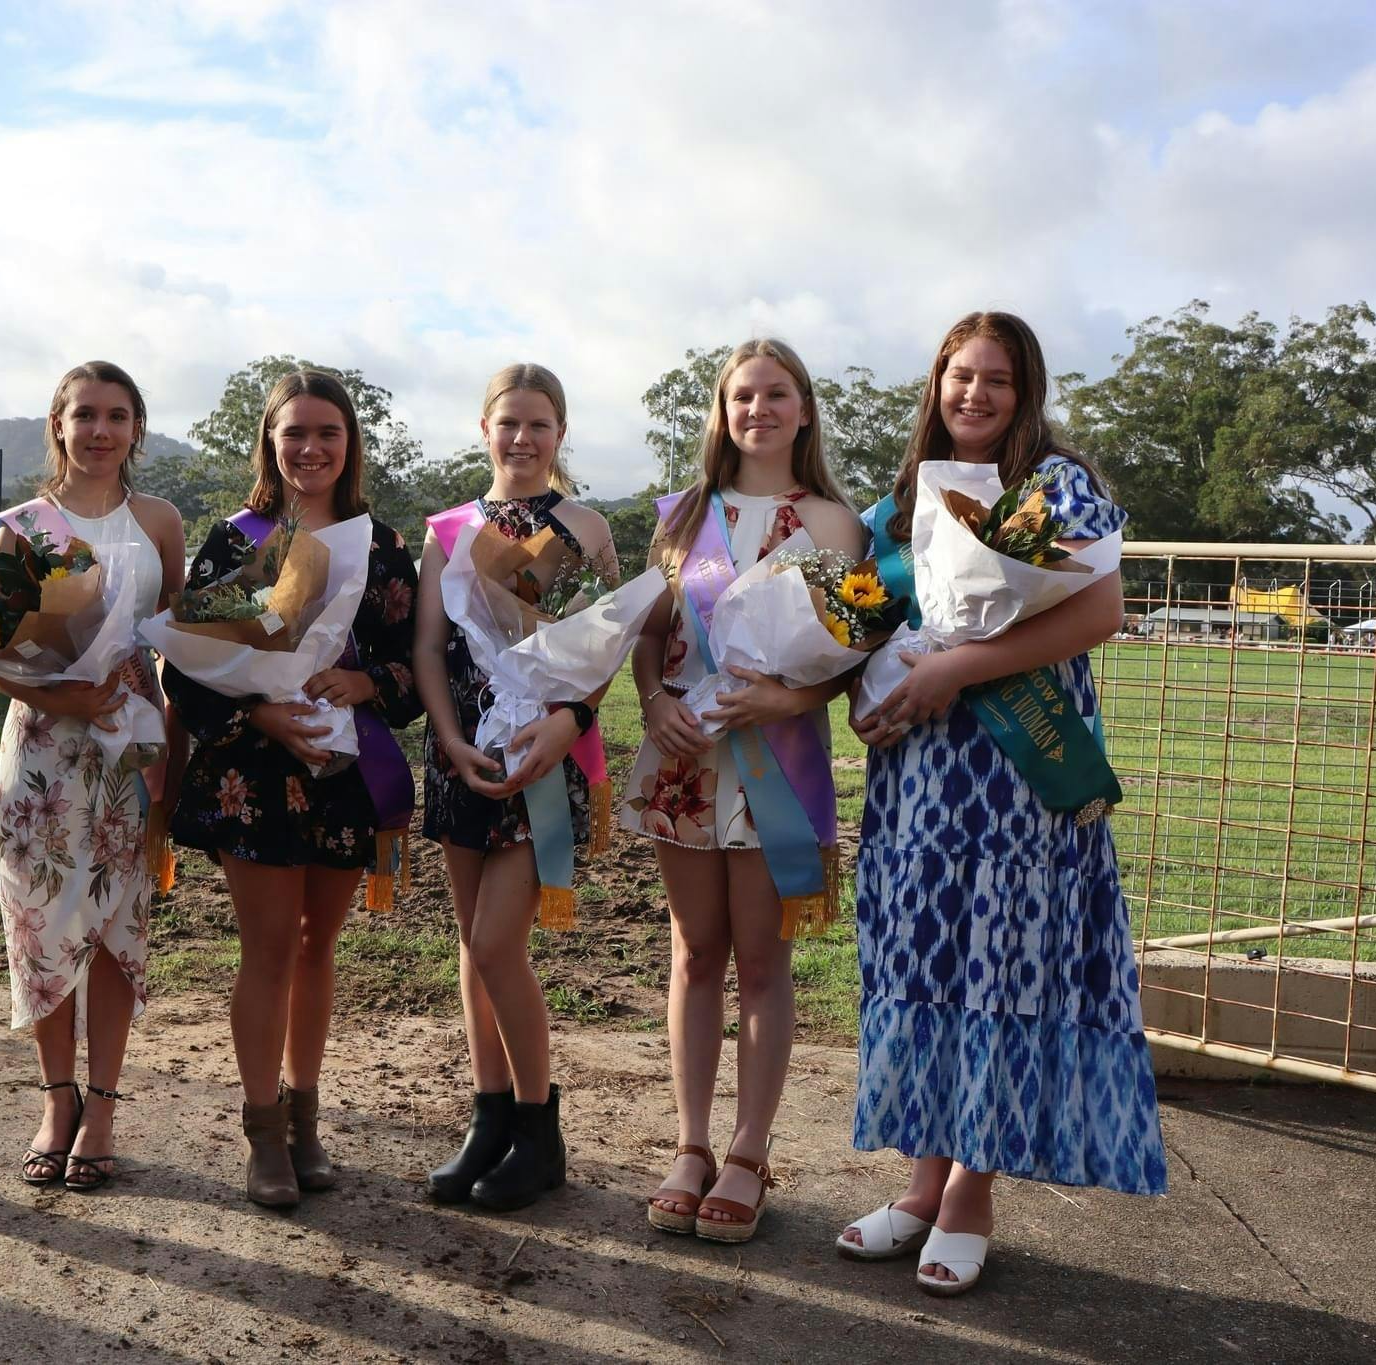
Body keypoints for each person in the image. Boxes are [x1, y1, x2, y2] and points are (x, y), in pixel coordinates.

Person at [838, 311, 1166, 1296]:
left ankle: (968, 1196)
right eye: (956, 375)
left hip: (1018, 778)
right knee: (928, 959)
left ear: (1023, 393)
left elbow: (1098, 611)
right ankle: (918, 1183)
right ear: (933, 385)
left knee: (1001, 968)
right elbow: (860, 620)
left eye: (994, 380)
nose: (971, 394)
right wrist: (867, 697)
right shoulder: (898, 505)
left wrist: (961, 667)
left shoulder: (1054, 488)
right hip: (921, 782)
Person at [162, 369, 421, 1209]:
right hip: (258, 775)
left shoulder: (381, 547)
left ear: (351, 445)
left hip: (345, 772)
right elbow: (187, 668)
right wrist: (264, 714)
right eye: (294, 433)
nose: (310, 448)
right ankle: (263, 1127)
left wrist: (367, 683)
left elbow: (416, 667)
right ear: (270, 442)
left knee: (319, 949)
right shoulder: (238, 540)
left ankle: (309, 1119)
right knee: (269, 950)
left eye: (328, 434)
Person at [623, 340, 863, 1242]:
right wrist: (650, 701)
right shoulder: (686, 517)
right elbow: (651, 634)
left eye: (776, 393)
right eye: (741, 395)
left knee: (762, 962)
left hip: (775, 765)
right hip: (686, 759)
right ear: (722, 412)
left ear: (804, 409)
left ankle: (750, 1152)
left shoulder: (836, 526)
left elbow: (850, 664)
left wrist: (786, 695)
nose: (757, 408)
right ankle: (690, 1144)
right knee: (693, 953)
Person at [414, 363, 619, 1213]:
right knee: (473, 946)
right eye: (509, 424)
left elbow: (605, 648)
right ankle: (488, 1118)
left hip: (542, 758)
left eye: (539, 424)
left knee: (498, 943)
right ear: (485, 428)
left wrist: (567, 721)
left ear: (560, 432)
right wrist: (453, 741)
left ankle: (539, 1130)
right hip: (464, 754)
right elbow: (429, 646)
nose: (523, 439)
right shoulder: (450, 530)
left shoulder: (586, 527)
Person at [0, 362, 183, 1193]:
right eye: (85, 415)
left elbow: (176, 642)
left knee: (113, 928)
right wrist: (60, 691)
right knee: (42, 926)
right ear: (57, 424)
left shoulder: (160, 520)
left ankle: (102, 1109)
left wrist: (171, 744)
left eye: (118, 416)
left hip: (132, 743)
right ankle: (55, 1101)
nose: (101, 430)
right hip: (44, 752)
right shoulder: (23, 526)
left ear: (136, 428)